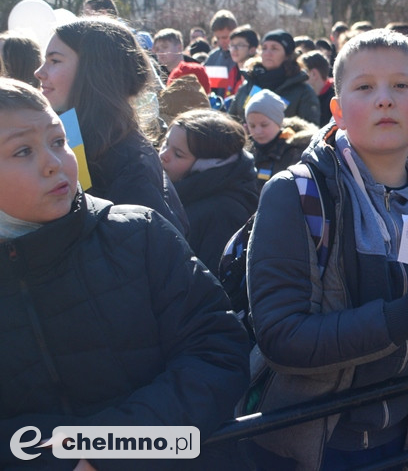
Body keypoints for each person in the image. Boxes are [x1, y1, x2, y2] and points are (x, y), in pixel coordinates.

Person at [246, 29, 408, 469]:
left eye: (401, 85)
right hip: (318, 450)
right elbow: (283, 338)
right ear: (337, 111)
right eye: (365, 87)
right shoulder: (294, 194)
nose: (384, 100)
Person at [0, 79, 249, 468]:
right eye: (23, 151)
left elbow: (217, 354)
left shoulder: (140, 234)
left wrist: (103, 451)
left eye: (58, 141)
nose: (54, 162)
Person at [34, 18, 188, 235]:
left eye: (54, 60)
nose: (39, 72)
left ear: (94, 71)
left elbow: (142, 246)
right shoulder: (72, 138)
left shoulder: (129, 160)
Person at [159, 109, 259, 271]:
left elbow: (211, 277)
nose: (163, 155)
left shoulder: (224, 214)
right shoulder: (175, 192)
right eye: (165, 143)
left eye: (178, 154)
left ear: (206, 165)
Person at [229, 29, 321, 126]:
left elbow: (310, 129)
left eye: (274, 49)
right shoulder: (248, 85)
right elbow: (231, 121)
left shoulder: (303, 92)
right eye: (264, 48)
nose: (267, 53)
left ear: (287, 55)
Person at [244, 89, 317, 189]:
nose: (257, 131)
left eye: (264, 125)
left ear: (278, 122)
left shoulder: (296, 151)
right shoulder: (247, 151)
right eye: (252, 126)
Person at [204, 9, 238, 95]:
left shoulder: (244, 57)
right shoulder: (213, 58)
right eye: (217, 38)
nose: (221, 42)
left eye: (225, 37)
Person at [299, 50, 335, 127]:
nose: (299, 77)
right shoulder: (304, 98)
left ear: (313, 74)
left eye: (303, 72)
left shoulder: (335, 98)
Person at [225, 25, 259, 96]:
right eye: (232, 45)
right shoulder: (233, 71)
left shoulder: (256, 75)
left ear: (252, 50)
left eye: (240, 45)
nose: (234, 49)